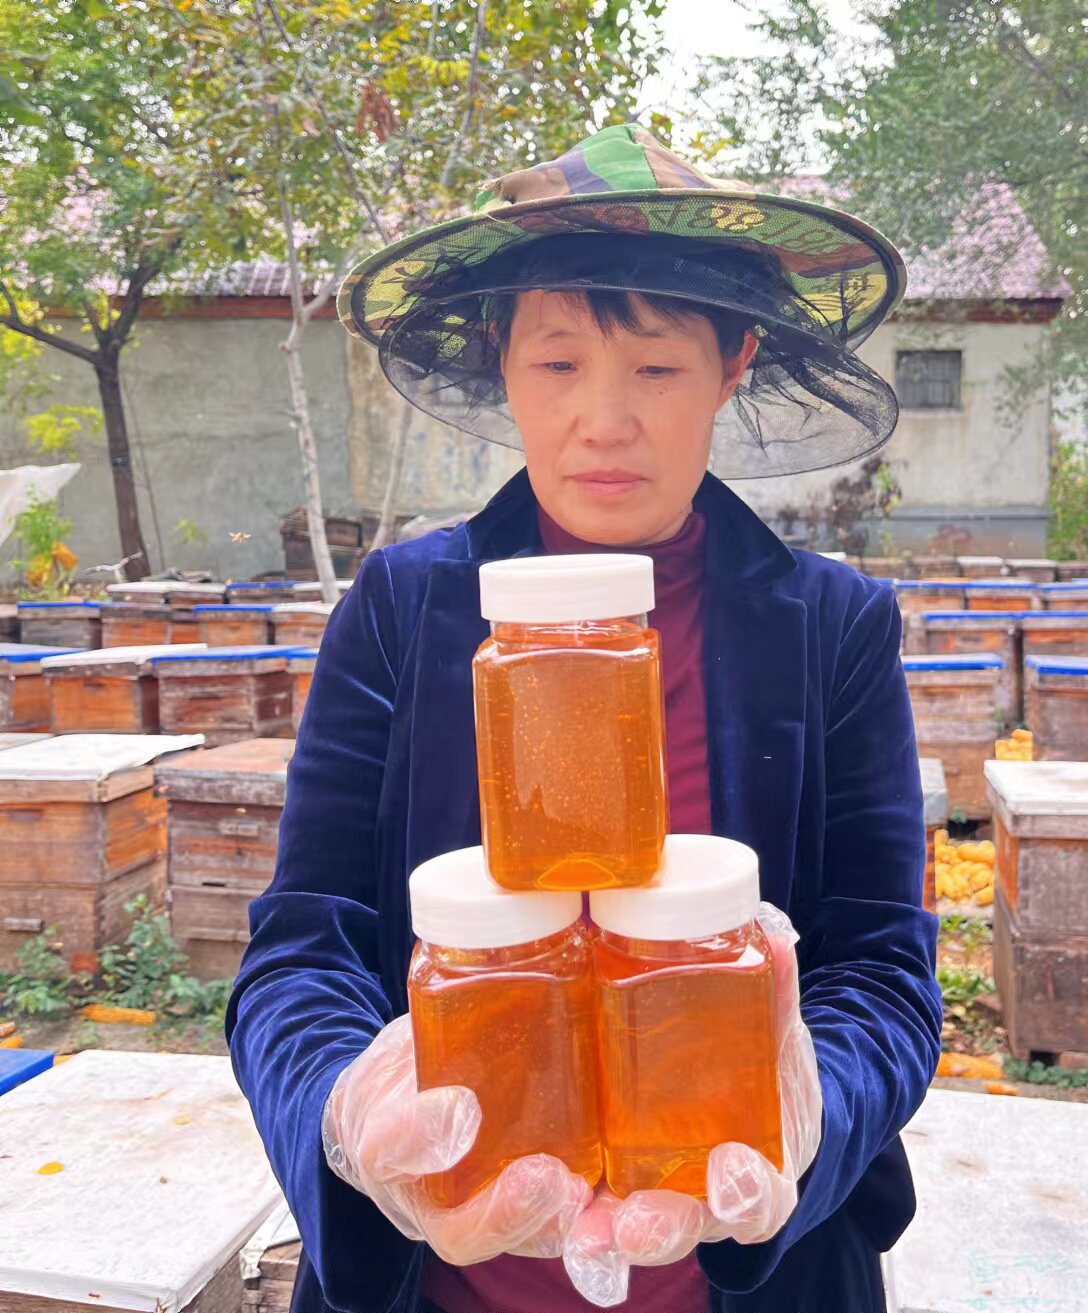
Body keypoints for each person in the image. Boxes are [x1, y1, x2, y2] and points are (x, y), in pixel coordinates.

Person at [228, 123, 943, 1313]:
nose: (604, 419)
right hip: (445, 1277)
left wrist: (810, 1104)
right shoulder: (404, 610)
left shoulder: (831, 626)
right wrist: (348, 1109)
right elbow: (304, 945)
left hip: (750, 1275)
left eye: (656, 368)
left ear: (734, 362)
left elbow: (879, 962)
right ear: (502, 367)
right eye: (557, 363)